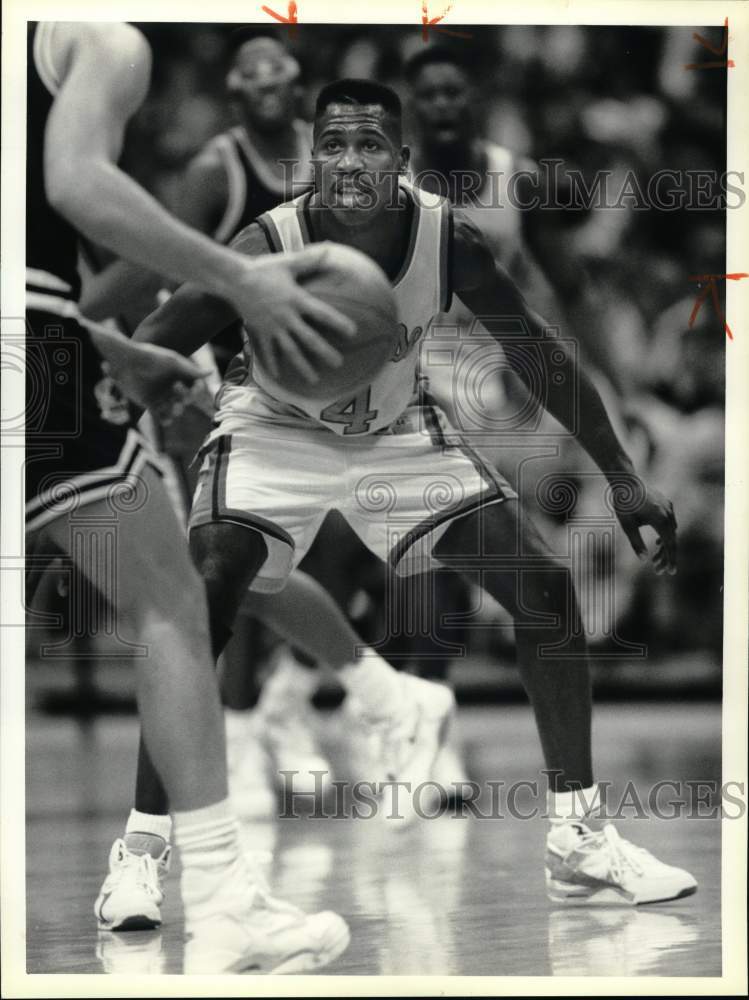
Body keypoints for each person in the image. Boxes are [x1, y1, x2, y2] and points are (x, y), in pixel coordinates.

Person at [129, 77, 696, 910]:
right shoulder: (265, 244)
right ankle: (140, 850)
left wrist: (622, 479)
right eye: (333, 144)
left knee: (542, 585)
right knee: (206, 587)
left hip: (393, 433)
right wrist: (149, 428)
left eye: (368, 145)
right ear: (310, 156)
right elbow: (151, 344)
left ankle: (577, 836)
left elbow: (538, 355)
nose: (349, 161)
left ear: (400, 160)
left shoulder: (447, 240)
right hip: (271, 429)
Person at [24, 20, 357, 973]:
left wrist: (116, 350)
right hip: (31, 336)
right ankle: (218, 898)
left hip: (56, 335)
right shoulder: (94, 36)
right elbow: (74, 184)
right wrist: (238, 275)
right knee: (172, 601)